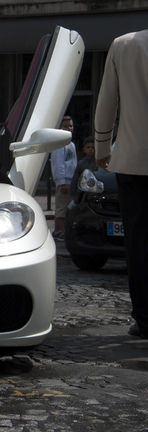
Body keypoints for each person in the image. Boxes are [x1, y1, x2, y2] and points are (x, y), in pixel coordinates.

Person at [94, 30, 148, 339]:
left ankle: (144, 318)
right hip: (131, 162)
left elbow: (107, 100)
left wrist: (102, 147)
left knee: (138, 244)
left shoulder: (124, 45)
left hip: (133, 160)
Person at [50, 115, 77, 240]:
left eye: (71, 126)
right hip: (64, 180)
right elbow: (58, 164)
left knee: (62, 205)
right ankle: (63, 231)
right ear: (59, 128)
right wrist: (62, 182)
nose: (69, 128)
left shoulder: (70, 144)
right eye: (66, 126)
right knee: (62, 208)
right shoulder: (59, 144)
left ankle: (56, 230)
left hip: (70, 179)